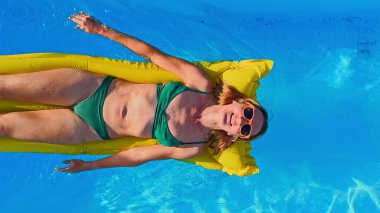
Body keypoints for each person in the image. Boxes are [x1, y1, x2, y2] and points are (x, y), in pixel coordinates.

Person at [0, 12, 268, 173]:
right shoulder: (199, 83)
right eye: (247, 113)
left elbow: (138, 156)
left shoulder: (191, 147)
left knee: (3, 128)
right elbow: (152, 55)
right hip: (91, 87)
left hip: (89, 129)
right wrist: (102, 30)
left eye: (245, 129)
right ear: (240, 102)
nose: (241, 121)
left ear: (235, 136)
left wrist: (89, 166)